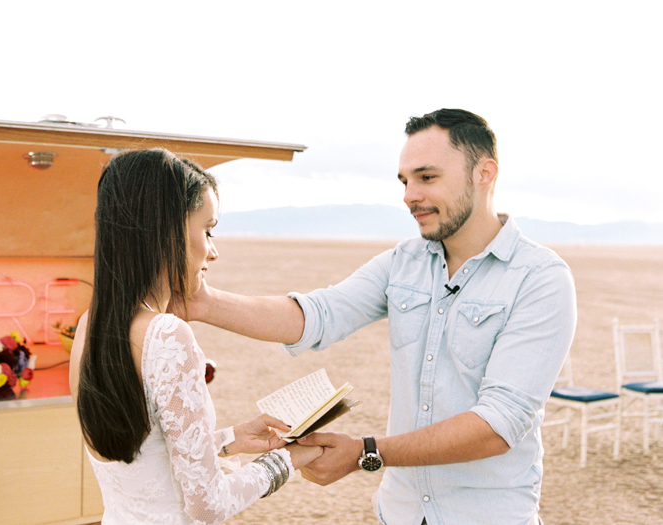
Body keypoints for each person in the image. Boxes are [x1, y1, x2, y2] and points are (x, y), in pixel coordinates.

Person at [176, 109, 578, 525]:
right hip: (399, 514)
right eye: (405, 181)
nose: (409, 196)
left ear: (485, 173)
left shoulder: (540, 279)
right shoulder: (403, 262)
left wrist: (366, 452)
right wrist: (202, 304)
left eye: (427, 177)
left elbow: (498, 425)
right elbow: (317, 315)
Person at [68, 149, 322, 525]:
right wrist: (288, 459)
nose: (213, 251)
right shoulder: (166, 335)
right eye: (207, 229)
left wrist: (229, 439)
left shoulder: (90, 324)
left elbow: (143, 461)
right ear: (167, 231)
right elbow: (208, 506)